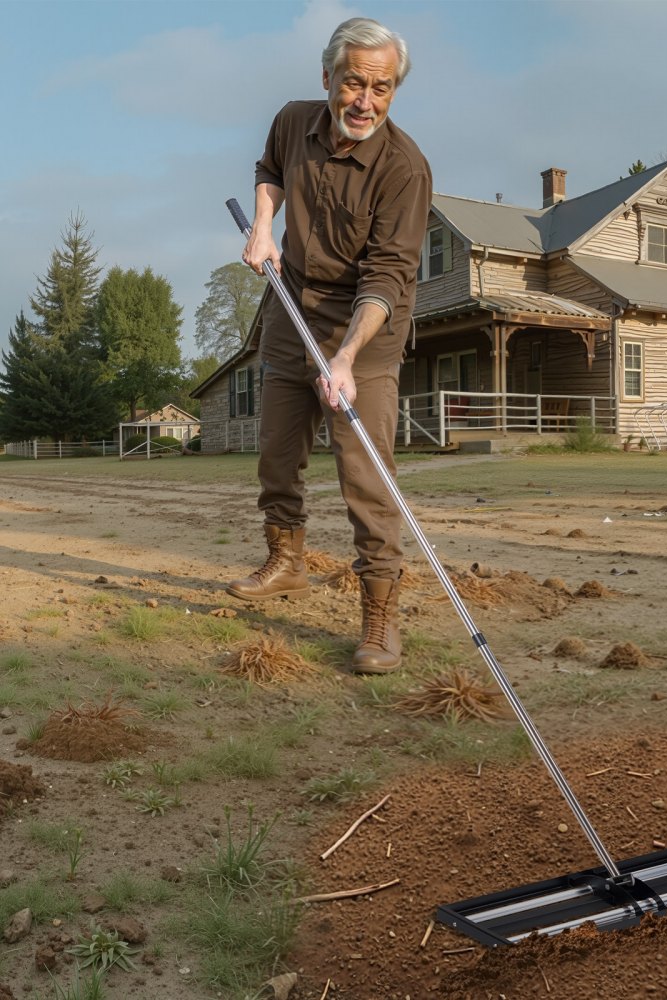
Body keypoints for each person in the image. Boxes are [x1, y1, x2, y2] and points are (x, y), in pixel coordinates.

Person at [226, 16, 432, 675]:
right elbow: (268, 169)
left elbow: (389, 276)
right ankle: (286, 561)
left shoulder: (404, 168)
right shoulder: (293, 121)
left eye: (383, 87)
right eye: (353, 83)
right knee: (276, 453)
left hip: (366, 331)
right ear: (327, 79)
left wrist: (345, 358)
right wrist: (264, 225)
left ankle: (380, 612)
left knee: (365, 475)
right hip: (292, 308)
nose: (366, 102)